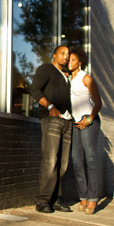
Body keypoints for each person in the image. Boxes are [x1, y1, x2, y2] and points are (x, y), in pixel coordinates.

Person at [30, 45, 74, 213]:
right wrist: (50, 107)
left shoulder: (66, 75)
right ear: (54, 55)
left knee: (63, 164)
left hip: (67, 122)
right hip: (52, 119)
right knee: (50, 161)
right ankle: (42, 200)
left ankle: (55, 199)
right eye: (62, 53)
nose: (65, 56)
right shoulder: (47, 68)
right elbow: (34, 89)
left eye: (68, 54)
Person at [68, 48, 102, 215]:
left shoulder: (86, 78)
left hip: (89, 120)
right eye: (68, 60)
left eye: (73, 59)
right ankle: (83, 196)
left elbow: (98, 103)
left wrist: (89, 119)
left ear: (79, 61)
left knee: (90, 159)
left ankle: (92, 198)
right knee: (76, 160)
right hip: (75, 122)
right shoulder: (68, 80)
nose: (69, 62)